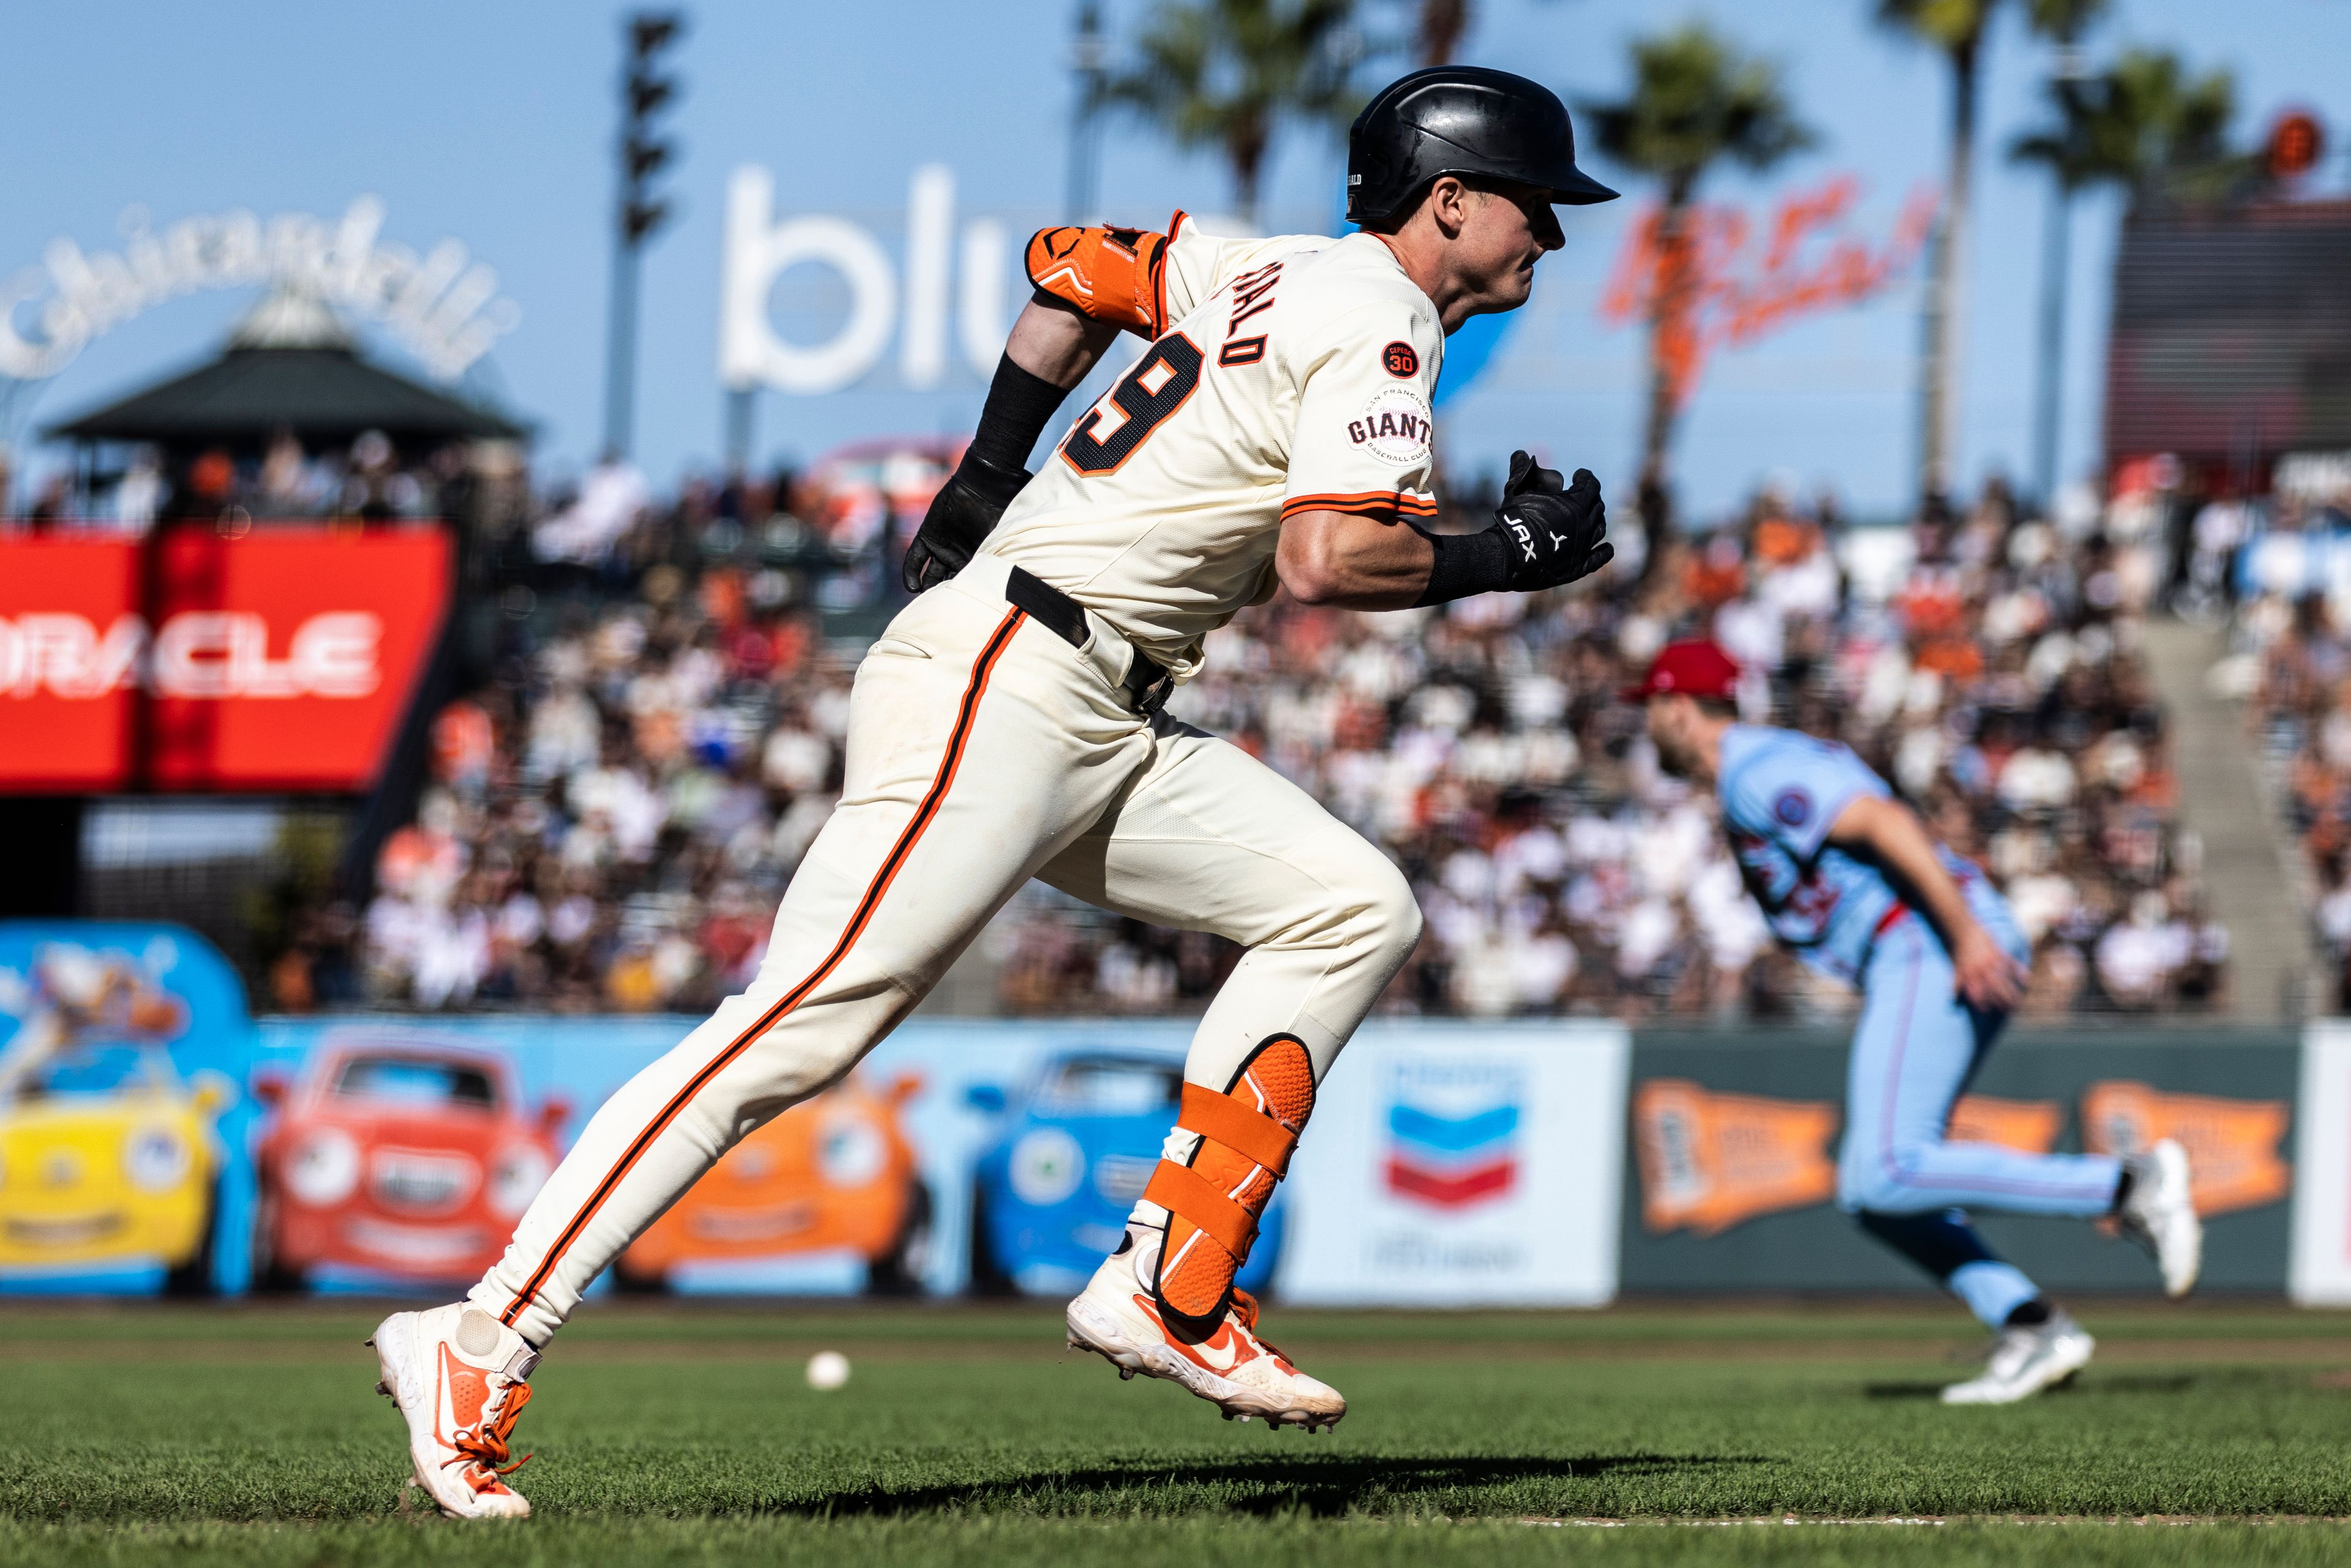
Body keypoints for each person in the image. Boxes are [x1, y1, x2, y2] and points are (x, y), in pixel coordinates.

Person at [369, 66, 1621, 1518]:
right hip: (1015, 675)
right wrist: (1501, 556)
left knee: (1347, 904)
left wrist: (985, 463)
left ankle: (1168, 1277)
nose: (1553, 232)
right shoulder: (1383, 317)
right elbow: (1325, 561)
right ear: (1448, 198)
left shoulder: (1255, 264)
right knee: (794, 1027)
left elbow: (1071, 269)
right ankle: (476, 1334)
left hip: (1092, 696)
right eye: (1534, 201)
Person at [1629, 639, 2203, 1405]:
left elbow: (1886, 823)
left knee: (1894, 1165)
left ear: (1675, 707)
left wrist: (1964, 931)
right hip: (1920, 941)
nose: (1647, 726)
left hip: (1926, 938)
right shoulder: (1752, 767)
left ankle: (2129, 1183)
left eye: (1650, 709)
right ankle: (2032, 1323)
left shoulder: (1753, 768)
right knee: (1873, 1187)